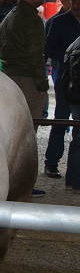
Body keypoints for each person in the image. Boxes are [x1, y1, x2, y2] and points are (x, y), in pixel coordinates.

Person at [0, 0, 49, 120]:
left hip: (10, 76)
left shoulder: (11, 15)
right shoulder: (32, 19)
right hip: (28, 80)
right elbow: (36, 55)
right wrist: (41, 84)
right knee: (29, 128)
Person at [43, 0, 80, 178]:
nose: (75, 5)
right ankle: (51, 162)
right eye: (73, 1)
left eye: (78, 2)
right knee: (60, 120)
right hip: (66, 78)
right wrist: (70, 57)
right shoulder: (58, 21)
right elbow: (49, 48)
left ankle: (74, 171)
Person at [61, 34, 80, 190]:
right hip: (78, 98)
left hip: (75, 98)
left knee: (77, 140)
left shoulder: (75, 43)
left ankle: (72, 180)